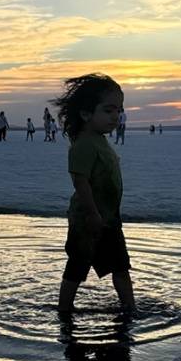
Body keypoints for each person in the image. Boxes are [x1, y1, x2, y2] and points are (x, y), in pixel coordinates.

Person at [53, 73, 135, 314]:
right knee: (78, 265)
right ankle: (64, 308)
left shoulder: (100, 140)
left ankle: (130, 307)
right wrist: (92, 213)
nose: (116, 117)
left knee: (121, 265)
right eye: (108, 110)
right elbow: (81, 182)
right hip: (87, 219)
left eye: (118, 110)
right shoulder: (84, 144)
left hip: (108, 218)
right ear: (86, 114)